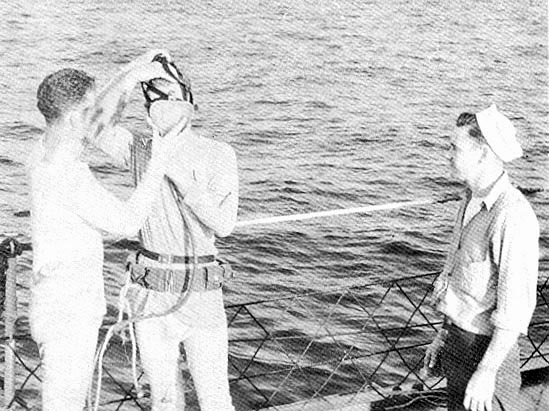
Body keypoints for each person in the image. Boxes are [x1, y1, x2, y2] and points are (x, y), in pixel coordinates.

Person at [28, 50, 188, 411]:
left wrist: (132, 72)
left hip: (53, 302)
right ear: (74, 118)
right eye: (88, 110)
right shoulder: (68, 176)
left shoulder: (40, 152)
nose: (97, 116)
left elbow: (99, 113)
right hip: (69, 312)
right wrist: (159, 159)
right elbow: (128, 222)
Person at [95, 55, 238, 411]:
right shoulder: (139, 150)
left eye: (171, 94)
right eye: (155, 96)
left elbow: (224, 224)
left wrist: (177, 174)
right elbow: (93, 125)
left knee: (215, 399)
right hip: (151, 295)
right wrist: (131, 75)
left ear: (190, 101)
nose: (163, 102)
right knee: (163, 399)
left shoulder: (219, 153)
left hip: (201, 295)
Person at [423, 104, 540, 411]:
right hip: (457, 348)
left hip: (489, 358)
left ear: (483, 154)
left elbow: (515, 312)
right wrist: (442, 335)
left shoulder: (512, 215)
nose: (448, 155)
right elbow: (460, 282)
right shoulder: (469, 202)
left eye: (455, 147)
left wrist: (486, 372)